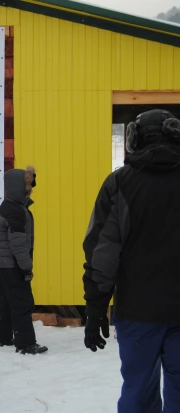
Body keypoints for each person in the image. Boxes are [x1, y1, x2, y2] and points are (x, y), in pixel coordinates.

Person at [82, 109, 180, 413]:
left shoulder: (118, 184)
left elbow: (103, 252)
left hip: (137, 313)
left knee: (138, 392)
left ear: (134, 138)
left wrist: (96, 306)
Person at [0, 166, 48, 355]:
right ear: (18, 188)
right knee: (22, 302)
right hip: (14, 264)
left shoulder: (9, 207)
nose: (30, 190)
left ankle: (1, 337)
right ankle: (26, 343)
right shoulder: (15, 211)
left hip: (5, 264)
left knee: (6, 302)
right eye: (27, 187)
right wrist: (26, 267)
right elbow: (18, 244)